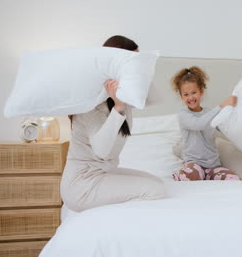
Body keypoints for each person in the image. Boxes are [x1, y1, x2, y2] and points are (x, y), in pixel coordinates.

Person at [60, 35, 165, 212]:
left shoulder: (125, 93)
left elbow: (156, 99)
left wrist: (142, 70)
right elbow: (101, 150)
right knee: (155, 190)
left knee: (157, 182)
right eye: (132, 62)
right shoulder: (92, 103)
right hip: (82, 185)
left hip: (104, 173)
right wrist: (118, 107)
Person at [171, 66, 241, 181]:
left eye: (194, 92)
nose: (190, 97)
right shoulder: (183, 115)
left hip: (212, 166)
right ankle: (181, 176)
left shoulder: (210, 113)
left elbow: (227, 129)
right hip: (194, 163)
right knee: (193, 175)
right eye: (186, 94)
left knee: (233, 179)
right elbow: (198, 124)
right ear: (181, 96)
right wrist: (221, 106)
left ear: (201, 91)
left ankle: (206, 176)